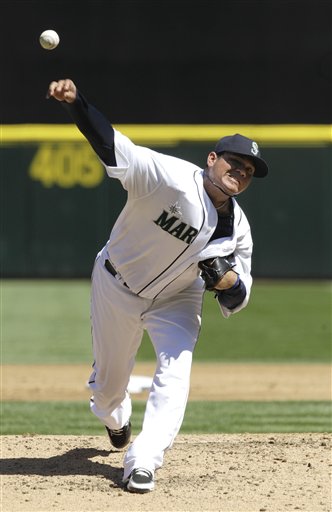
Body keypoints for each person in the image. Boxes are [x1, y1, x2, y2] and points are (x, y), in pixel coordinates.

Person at [47, 78, 268, 493]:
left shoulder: (238, 229)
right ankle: (115, 417)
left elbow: (240, 296)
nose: (240, 172)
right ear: (212, 159)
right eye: (234, 163)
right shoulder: (167, 177)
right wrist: (77, 104)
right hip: (117, 283)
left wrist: (227, 282)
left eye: (249, 170)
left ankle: (143, 459)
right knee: (108, 391)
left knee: (176, 371)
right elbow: (111, 144)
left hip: (178, 299)